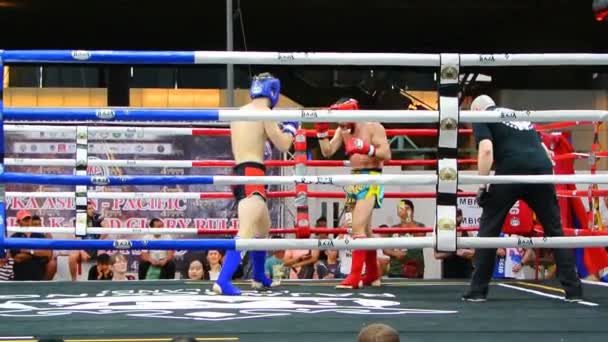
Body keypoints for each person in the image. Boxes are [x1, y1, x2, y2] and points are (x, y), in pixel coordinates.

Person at [462, 95, 582, 302]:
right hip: (541, 170)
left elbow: (486, 149)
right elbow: (544, 151)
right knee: (555, 231)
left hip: (510, 171)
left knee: (488, 231)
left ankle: (477, 291)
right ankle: (574, 291)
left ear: (477, 109)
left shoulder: (482, 116)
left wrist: (482, 186)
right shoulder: (520, 118)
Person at [212, 72, 297, 295]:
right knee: (248, 229)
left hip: (242, 170)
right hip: (252, 172)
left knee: (263, 228)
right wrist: (291, 128)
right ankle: (222, 281)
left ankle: (259, 276)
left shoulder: (240, 113)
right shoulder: (264, 113)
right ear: (273, 91)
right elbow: (284, 144)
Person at [315, 98, 391, 288]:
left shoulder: (374, 127)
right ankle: (373, 275)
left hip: (372, 178)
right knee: (365, 230)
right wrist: (321, 133)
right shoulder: (343, 129)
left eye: (344, 121)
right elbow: (328, 151)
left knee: (357, 227)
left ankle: (354, 277)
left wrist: (368, 149)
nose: (342, 126)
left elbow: (387, 155)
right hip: (354, 180)